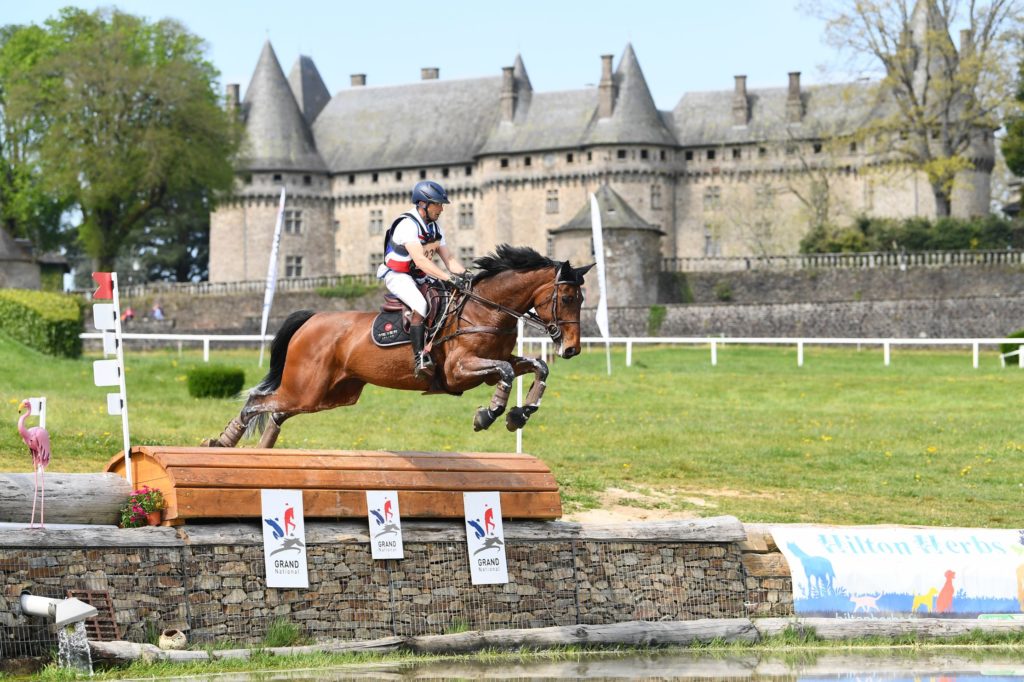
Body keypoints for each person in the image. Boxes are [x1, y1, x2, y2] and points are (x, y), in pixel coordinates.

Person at [377, 180, 469, 379]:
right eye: (438, 204)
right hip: (398, 275)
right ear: (423, 204)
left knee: (448, 298)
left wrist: (467, 276)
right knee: (420, 304)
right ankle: (419, 357)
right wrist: (448, 277)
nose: (441, 209)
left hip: (420, 276)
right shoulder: (407, 225)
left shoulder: (436, 228)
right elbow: (419, 260)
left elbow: (450, 260)